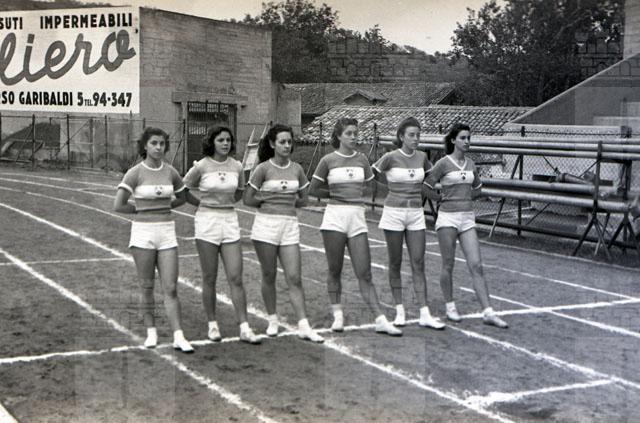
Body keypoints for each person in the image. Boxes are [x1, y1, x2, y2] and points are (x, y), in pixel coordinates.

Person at [309, 117, 402, 336]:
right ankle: (338, 315)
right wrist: (336, 194)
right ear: (339, 136)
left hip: (357, 218)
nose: (353, 137)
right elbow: (313, 189)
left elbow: (370, 187)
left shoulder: (362, 159)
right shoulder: (328, 160)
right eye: (349, 133)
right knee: (335, 270)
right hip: (335, 217)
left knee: (365, 272)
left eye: (355, 133)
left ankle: (380, 319)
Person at [113, 127, 195, 353]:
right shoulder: (135, 173)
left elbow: (182, 197)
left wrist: (164, 206)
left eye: (162, 144)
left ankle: (179, 336)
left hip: (167, 232)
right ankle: (151, 332)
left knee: (171, 287)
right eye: (154, 143)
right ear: (145, 146)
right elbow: (119, 204)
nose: (158, 147)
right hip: (143, 234)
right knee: (147, 286)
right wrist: (142, 210)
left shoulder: (171, 172)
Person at [243, 124, 324, 343]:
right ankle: (272, 319)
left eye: (289, 142)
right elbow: (248, 199)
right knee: (269, 275)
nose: (287, 145)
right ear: (272, 144)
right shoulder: (262, 169)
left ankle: (304, 325)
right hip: (266, 226)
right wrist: (268, 200)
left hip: (289, 225)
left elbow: (304, 199)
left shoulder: (297, 169)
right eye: (282, 142)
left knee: (294, 277)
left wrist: (287, 203)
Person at [423, 123, 508, 328]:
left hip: (467, 218)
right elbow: (425, 187)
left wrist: (466, 196)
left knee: (476, 265)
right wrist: (440, 198)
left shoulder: (471, 164)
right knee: (448, 264)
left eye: (469, 138)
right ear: (453, 140)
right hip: (448, 218)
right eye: (463, 138)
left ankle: (488, 312)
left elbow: (478, 189)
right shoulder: (443, 163)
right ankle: (450, 306)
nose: (467, 141)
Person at [182, 126, 261, 344]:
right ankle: (212, 324)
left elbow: (239, 191)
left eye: (228, 140)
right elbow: (183, 189)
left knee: (236, 277)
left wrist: (224, 203)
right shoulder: (201, 166)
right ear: (212, 142)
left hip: (229, 221)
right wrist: (203, 204)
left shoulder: (237, 166)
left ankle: (244, 327)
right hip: (207, 222)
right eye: (220, 140)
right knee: (210, 277)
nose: (225, 143)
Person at [372, 117, 445, 330]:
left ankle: (424, 313)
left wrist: (439, 197)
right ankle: (399, 311)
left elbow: (427, 183)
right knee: (395, 263)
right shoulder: (390, 157)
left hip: (416, 214)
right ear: (401, 136)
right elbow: (372, 174)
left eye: (418, 135)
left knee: (418, 262)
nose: (415, 139)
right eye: (411, 135)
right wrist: (392, 188)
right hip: (393, 214)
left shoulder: (422, 157)